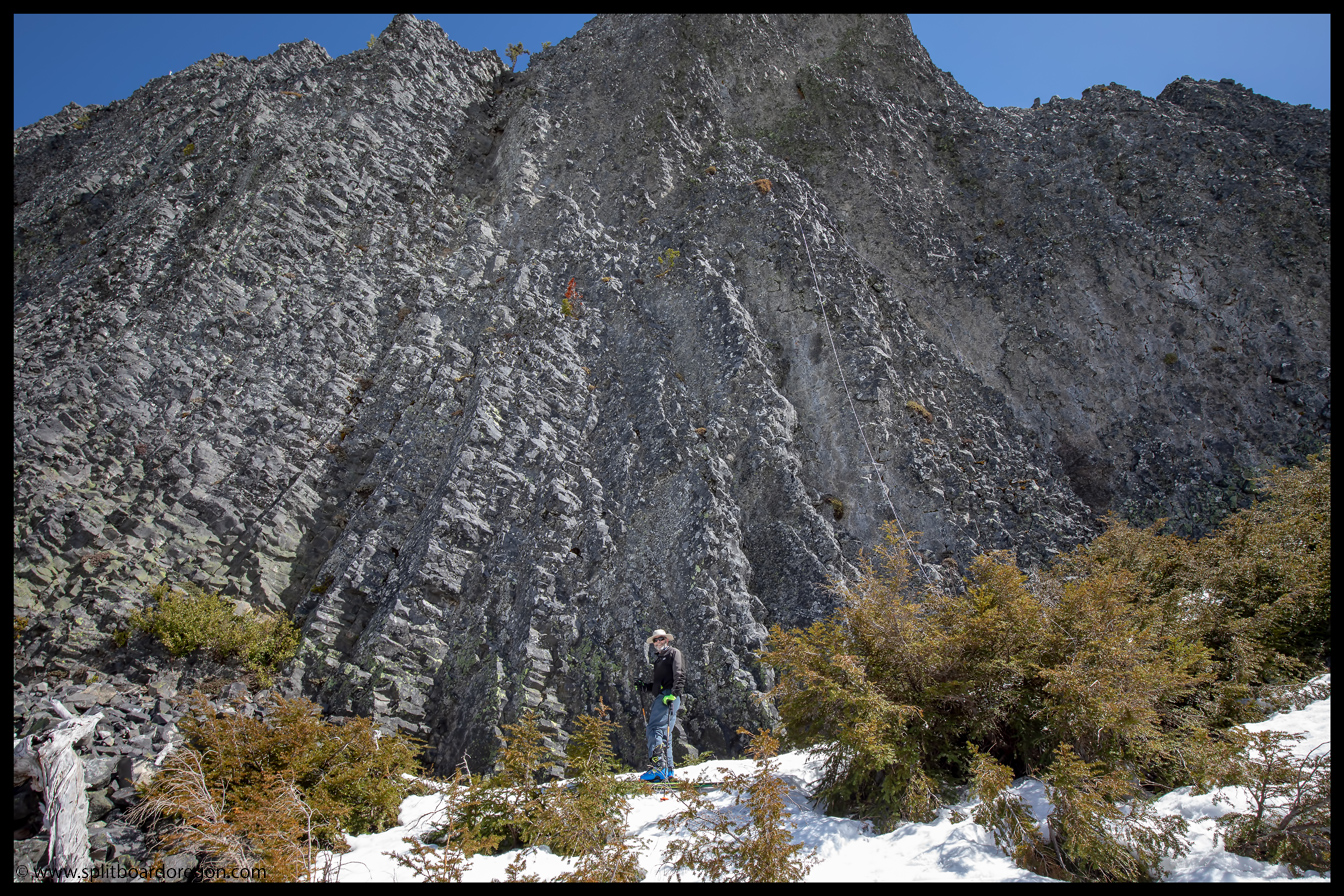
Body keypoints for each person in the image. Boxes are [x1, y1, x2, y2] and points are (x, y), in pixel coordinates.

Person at [640, 628, 684, 782]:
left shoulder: (673, 653)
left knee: (654, 729)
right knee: (666, 734)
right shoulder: (659, 659)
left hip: (668, 696)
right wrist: (645, 687)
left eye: (661, 639)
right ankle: (669, 770)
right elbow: (659, 684)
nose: (658, 642)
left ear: (667, 640)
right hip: (665, 695)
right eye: (655, 640)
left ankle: (659, 768)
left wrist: (673, 693)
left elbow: (679, 674)